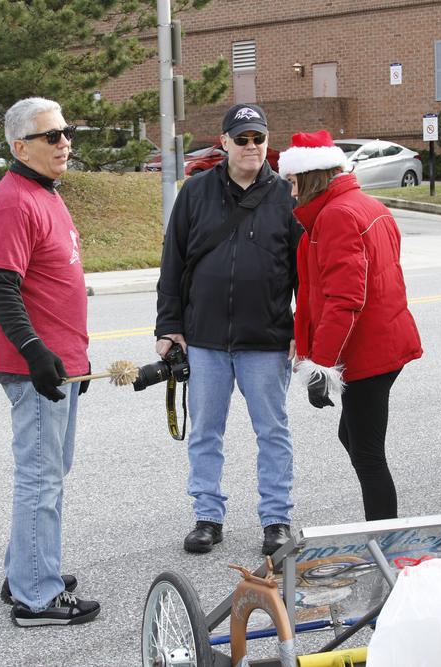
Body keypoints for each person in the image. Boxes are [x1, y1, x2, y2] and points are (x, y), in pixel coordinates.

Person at [155, 103, 303, 555]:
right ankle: (207, 516)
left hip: (267, 337)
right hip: (205, 339)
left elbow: (305, 270)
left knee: (273, 431)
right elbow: (173, 262)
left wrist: (305, 330)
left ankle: (276, 520)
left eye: (259, 138)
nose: (252, 147)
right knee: (205, 431)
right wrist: (169, 326)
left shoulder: (286, 196)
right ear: (223, 143)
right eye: (242, 139)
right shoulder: (195, 192)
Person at [0, 97, 100, 627]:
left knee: (49, 474)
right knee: (40, 479)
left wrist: (75, 358)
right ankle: (36, 597)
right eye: (52, 136)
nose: (65, 142)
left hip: (61, 364)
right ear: (19, 145)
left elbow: (55, 283)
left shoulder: (46, 194)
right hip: (36, 371)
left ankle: (26, 570)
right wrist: (36, 354)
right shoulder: (12, 202)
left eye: (66, 132)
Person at [278, 129, 422, 522]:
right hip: (385, 344)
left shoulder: (337, 216)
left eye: (292, 182)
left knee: (368, 456)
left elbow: (345, 300)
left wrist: (320, 367)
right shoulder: (364, 205)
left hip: (367, 355)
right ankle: (384, 538)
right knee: (354, 439)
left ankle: (386, 547)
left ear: (310, 177)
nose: (290, 193)